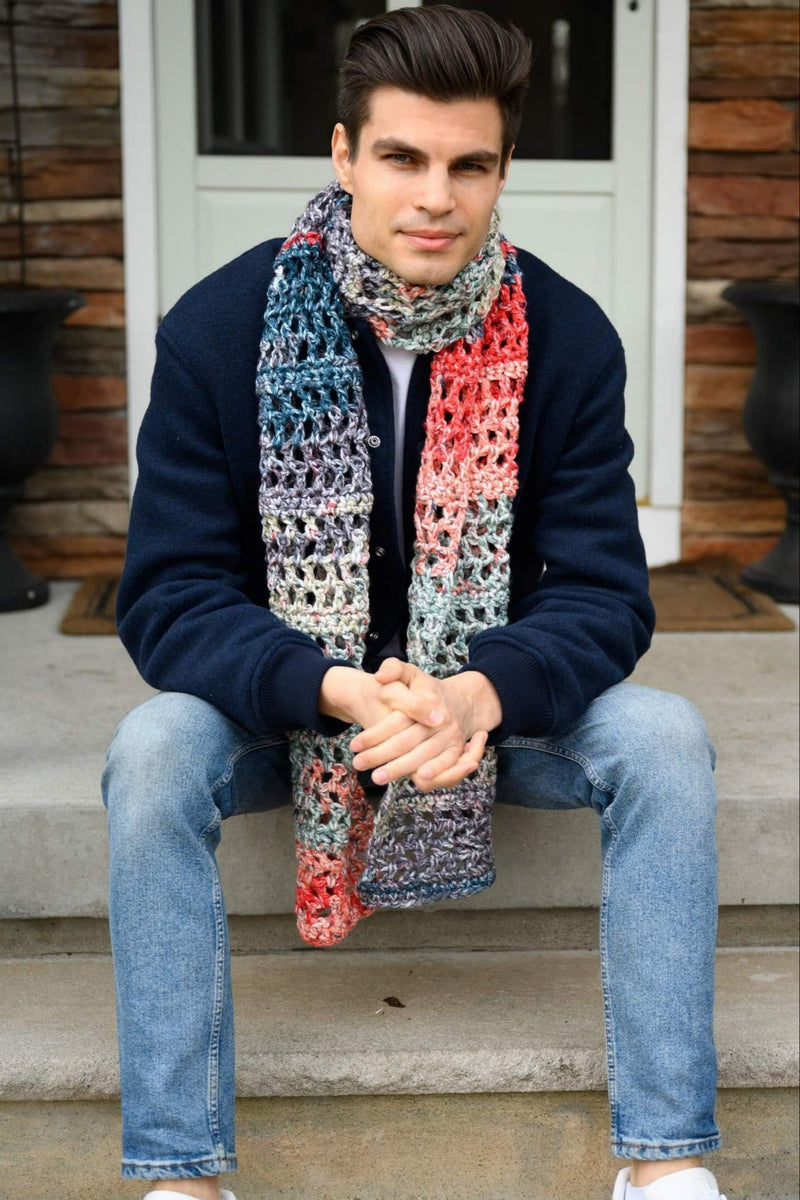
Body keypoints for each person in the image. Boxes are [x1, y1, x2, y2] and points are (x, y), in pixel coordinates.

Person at [102, 7, 726, 1199]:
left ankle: (664, 1163)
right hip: (294, 713)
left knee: (663, 738)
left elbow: (601, 592)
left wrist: (477, 695)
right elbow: (172, 595)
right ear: (343, 156)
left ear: (502, 171)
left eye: (467, 165)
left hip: (484, 716)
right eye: (401, 158)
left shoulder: (566, 336)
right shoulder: (218, 329)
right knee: (151, 753)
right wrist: (333, 687)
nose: (434, 198)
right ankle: (181, 1173)